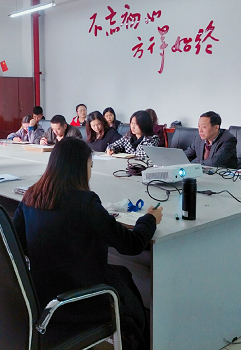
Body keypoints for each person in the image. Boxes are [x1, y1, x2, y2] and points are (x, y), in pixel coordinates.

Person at [13, 138, 162, 350]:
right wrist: (149, 220)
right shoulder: (85, 202)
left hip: (42, 296)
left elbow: (17, 244)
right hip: (81, 298)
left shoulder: (31, 195)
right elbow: (132, 245)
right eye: (90, 167)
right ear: (81, 168)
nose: (90, 173)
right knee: (125, 285)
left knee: (121, 275)